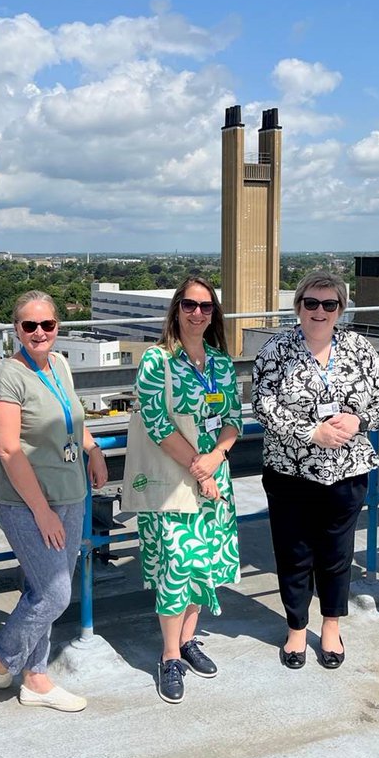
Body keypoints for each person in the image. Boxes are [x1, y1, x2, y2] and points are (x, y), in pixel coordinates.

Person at [253, 271, 379, 670]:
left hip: (346, 470)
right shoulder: (276, 350)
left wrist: (358, 421)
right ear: (298, 306)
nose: (320, 311)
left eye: (329, 304)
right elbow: (262, 405)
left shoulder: (358, 347)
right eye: (311, 303)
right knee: (294, 552)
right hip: (290, 471)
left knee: (336, 554)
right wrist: (310, 431)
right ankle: (297, 628)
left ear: (341, 309)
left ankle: (331, 626)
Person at [0, 291, 108, 712]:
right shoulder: (7, 376)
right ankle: (2, 654)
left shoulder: (61, 365)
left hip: (70, 492)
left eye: (47, 325)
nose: (39, 333)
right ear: (16, 330)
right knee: (54, 594)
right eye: (29, 326)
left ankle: (36, 679)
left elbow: (72, 421)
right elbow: (7, 450)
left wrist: (93, 450)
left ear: (58, 327)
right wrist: (42, 512)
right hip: (26, 501)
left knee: (42, 587)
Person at [132, 276, 242, 704]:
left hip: (214, 478)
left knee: (203, 566)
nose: (198, 313)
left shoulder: (219, 362)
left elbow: (234, 417)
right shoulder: (157, 361)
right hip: (174, 482)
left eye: (206, 306)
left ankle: (190, 639)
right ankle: (170, 655)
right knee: (176, 565)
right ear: (176, 309)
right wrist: (202, 469)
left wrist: (217, 458)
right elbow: (158, 424)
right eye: (189, 305)